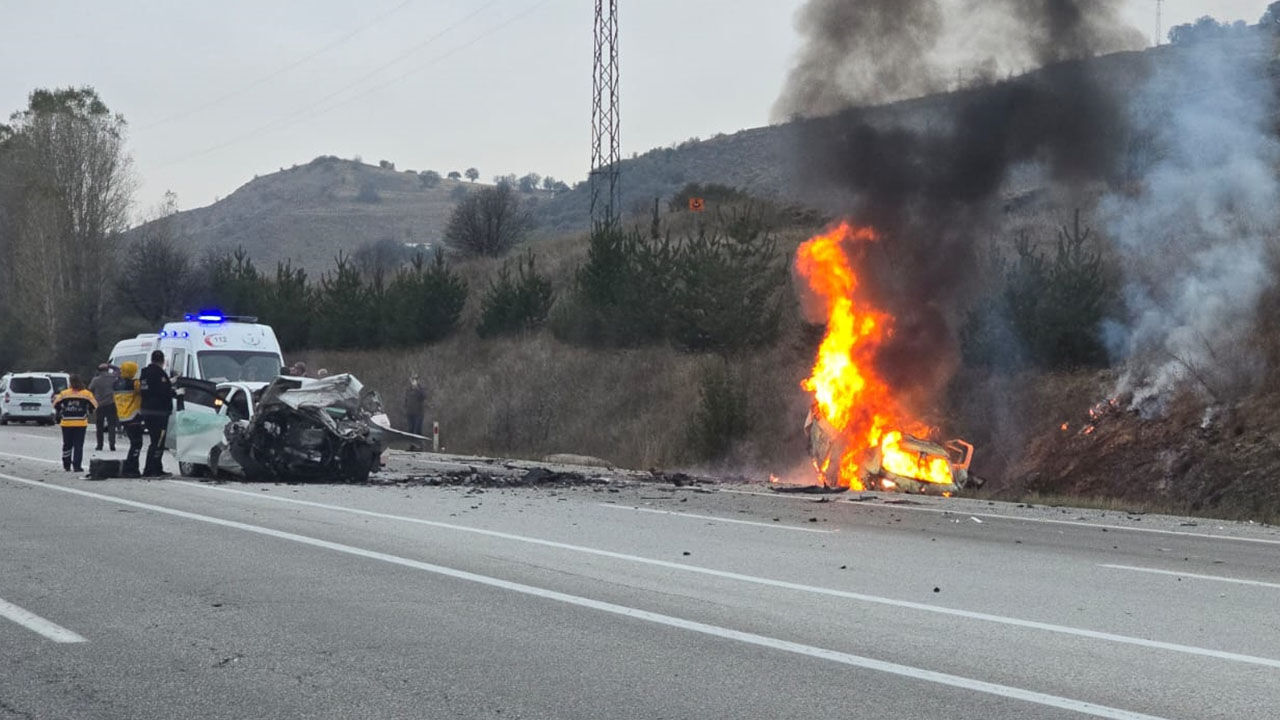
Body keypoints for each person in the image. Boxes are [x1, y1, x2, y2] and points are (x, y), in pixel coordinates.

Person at [138, 349, 176, 477]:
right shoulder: (159, 374)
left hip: (147, 410)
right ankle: (151, 469)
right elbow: (162, 392)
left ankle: (156, 467)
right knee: (158, 442)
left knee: (156, 440)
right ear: (163, 360)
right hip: (158, 412)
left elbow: (148, 391)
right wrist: (173, 391)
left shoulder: (145, 373)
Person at [54, 374, 97, 473]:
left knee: (67, 444)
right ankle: (77, 466)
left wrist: (61, 411)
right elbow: (94, 405)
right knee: (78, 445)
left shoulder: (64, 393)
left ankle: (66, 464)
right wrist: (88, 411)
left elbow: (56, 404)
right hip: (80, 422)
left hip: (67, 422)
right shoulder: (86, 394)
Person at [114, 361, 144, 477]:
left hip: (123, 417)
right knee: (137, 443)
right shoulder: (134, 384)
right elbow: (143, 390)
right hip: (134, 416)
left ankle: (131, 468)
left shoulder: (116, 384)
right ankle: (131, 468)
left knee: (134, 443)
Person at [88, 363, 118, 451]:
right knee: (112, 425)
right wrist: (110, 365)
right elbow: (119, 370)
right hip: (111, 403)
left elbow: (90, 389)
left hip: (100, 405)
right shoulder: (113, 377)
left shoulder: (96, 380)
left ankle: (99, 445)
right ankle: (112, 444)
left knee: (99, 426)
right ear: (107, 369)